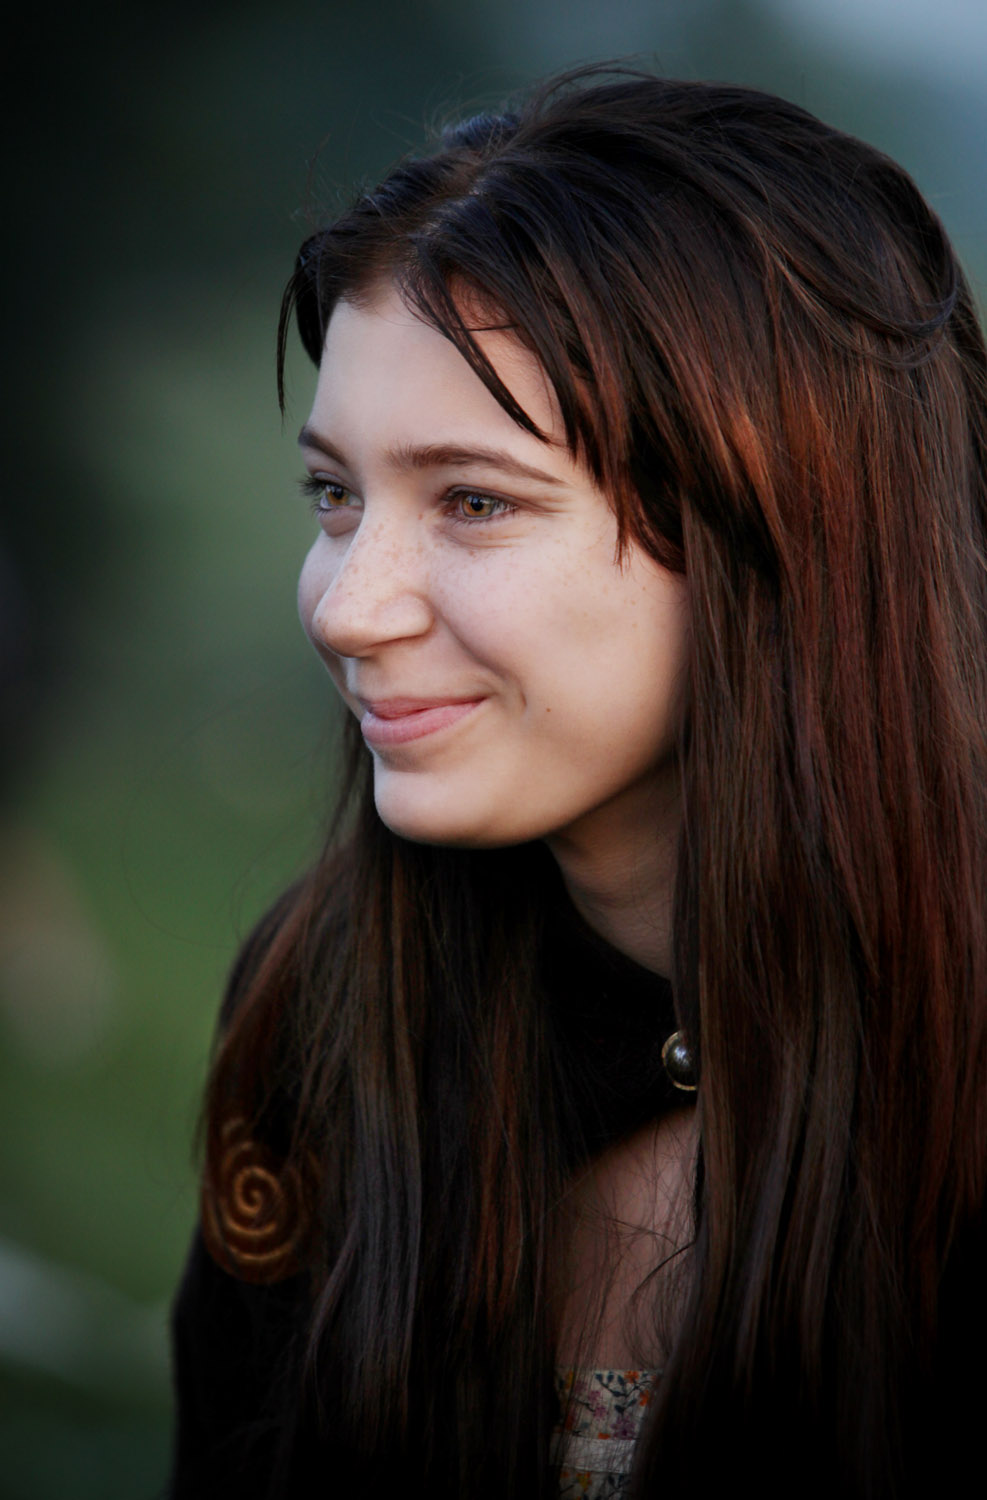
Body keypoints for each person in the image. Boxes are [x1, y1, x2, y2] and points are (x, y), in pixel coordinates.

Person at [168, 67, 987, 1500]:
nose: (348, 606)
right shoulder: (322, 1012)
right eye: (333, 495)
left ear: (778, 533)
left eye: (475, 502)